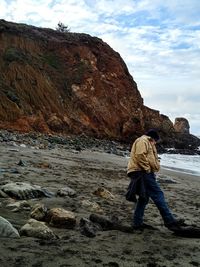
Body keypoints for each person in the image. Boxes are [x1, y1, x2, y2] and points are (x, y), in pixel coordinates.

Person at [127, 129, 184, 231]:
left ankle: (137, 223)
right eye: (155, 141)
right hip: (142, 172)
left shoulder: (146, 141)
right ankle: (170, 221)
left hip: (142, 172)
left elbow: (146, 157)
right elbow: (140, 155)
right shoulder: (143, 140)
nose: (155, 143)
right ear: (153, 138)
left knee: (143, 199)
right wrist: (147, 169)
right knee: (158, 194)